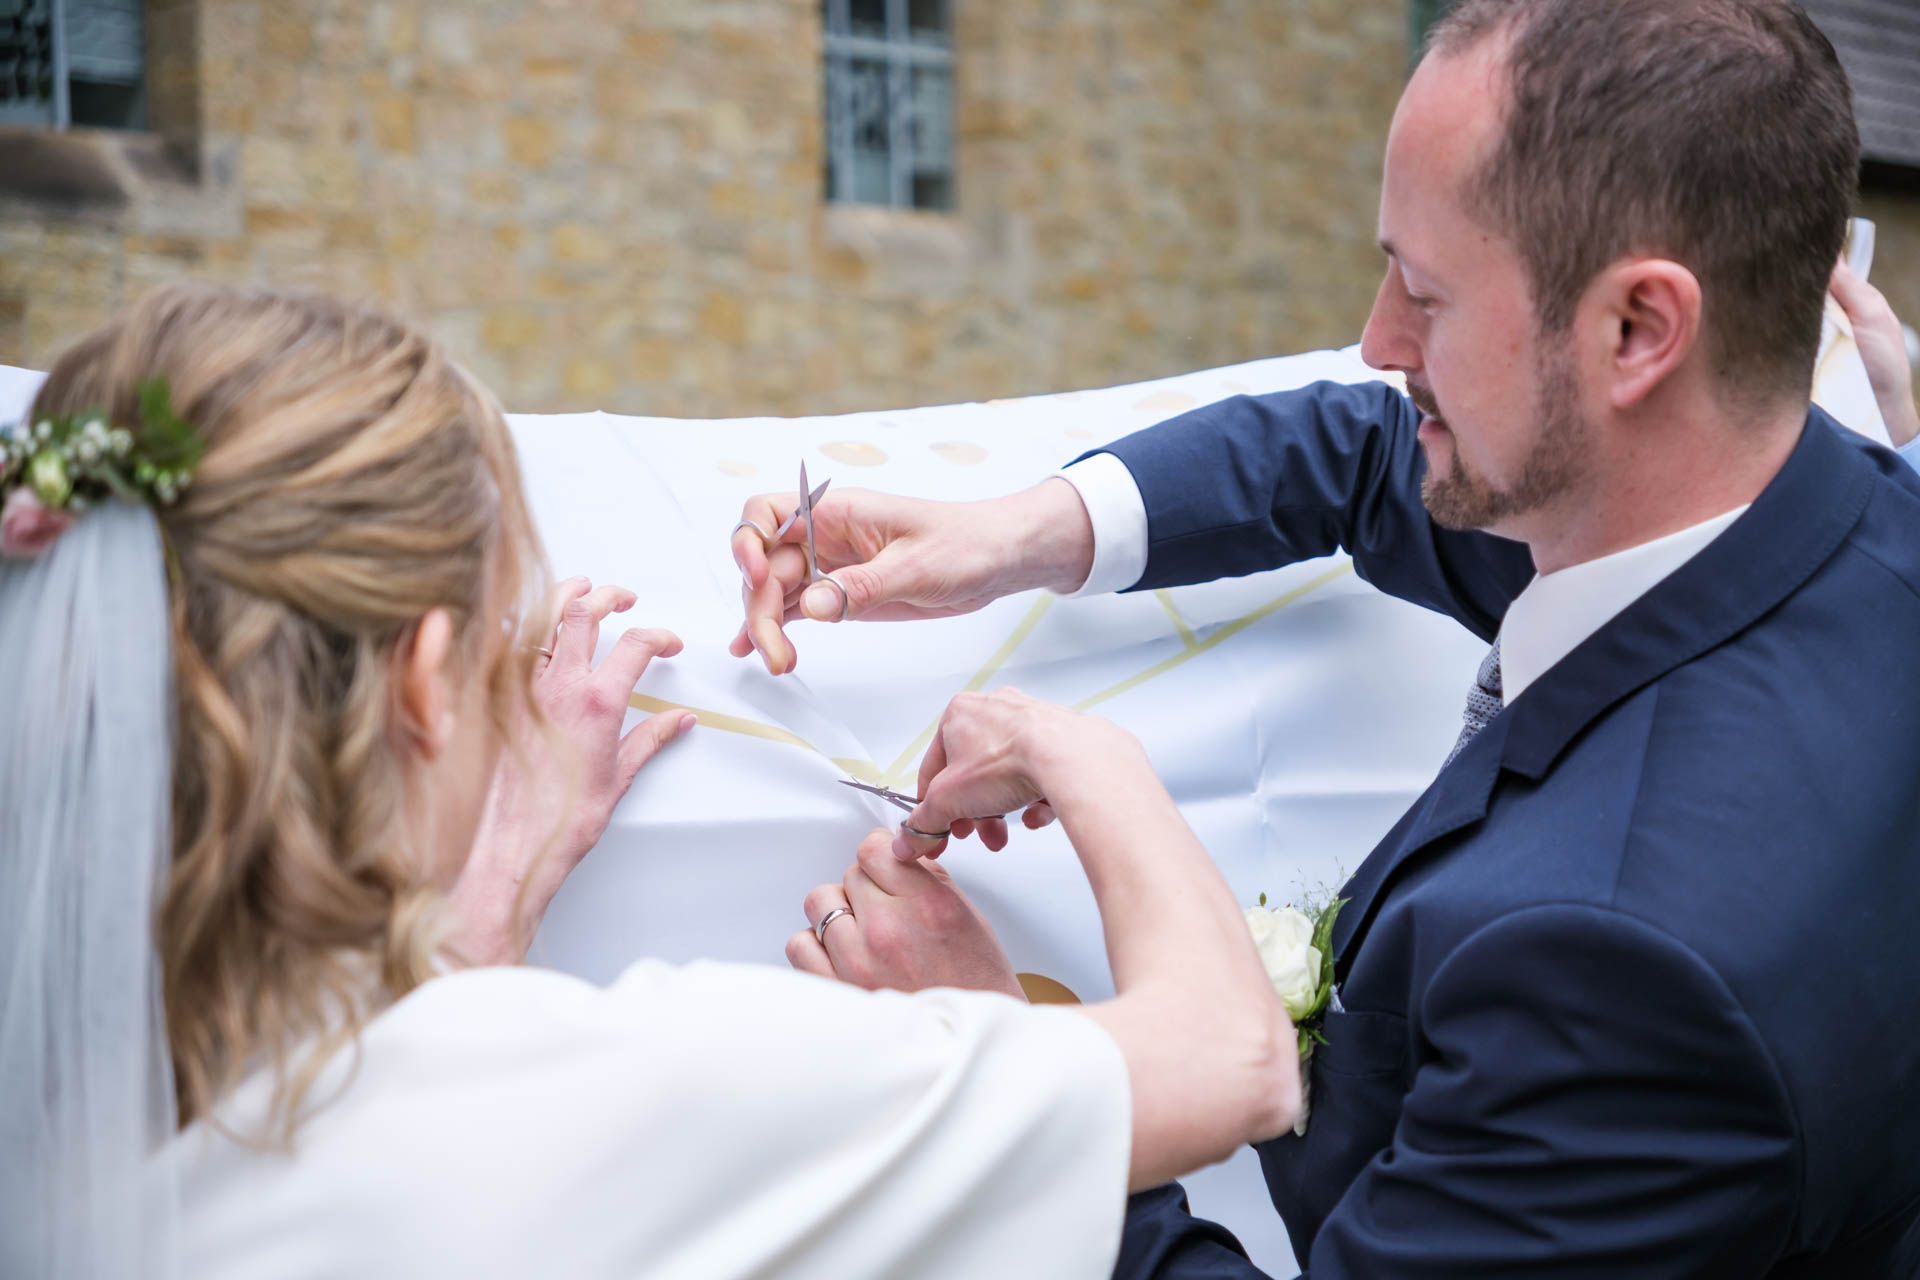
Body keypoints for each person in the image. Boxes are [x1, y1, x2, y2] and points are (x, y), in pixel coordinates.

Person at [732, 2, 1920, 1275]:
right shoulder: (1829, 513)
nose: (1377, 339)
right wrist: (1015, 532)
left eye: (1426, 293)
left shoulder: (1624, 973)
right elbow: (1365, 455)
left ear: (1636, 330)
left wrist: (1011, 1075)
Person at [0, 284, 1304, 1279]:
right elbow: (1232, 1060)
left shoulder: (62, 1092)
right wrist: (1091, 754)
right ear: (422, 684)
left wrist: (499, 890)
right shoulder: (632, 1088)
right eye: (497, 644)